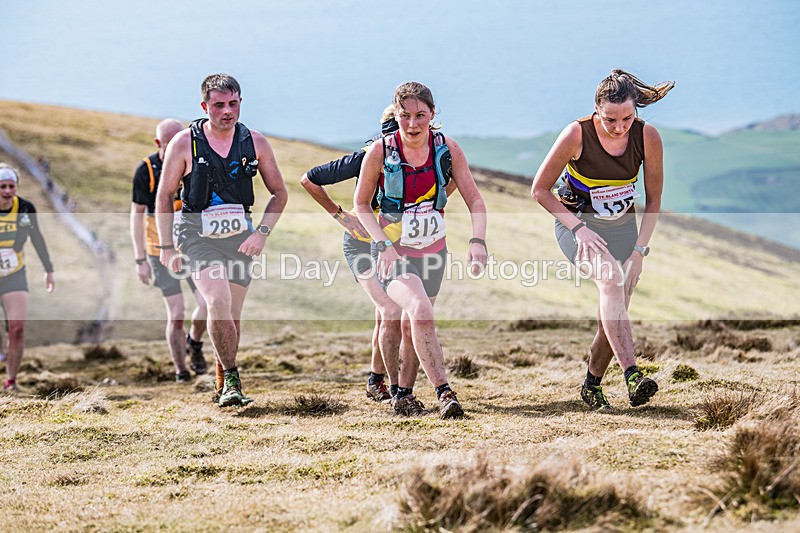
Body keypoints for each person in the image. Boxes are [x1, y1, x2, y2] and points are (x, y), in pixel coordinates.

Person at [531, 69, 674, 411]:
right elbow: (539, 190)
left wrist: (639, 252)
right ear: (596, 109)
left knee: (612, 315)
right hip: (578, 227)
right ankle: (633, 375)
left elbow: (654, 199)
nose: (619, 127)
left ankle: (591, 385)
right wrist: (578, 229)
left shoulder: (647, 136)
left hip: (624, 230)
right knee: (610, 279)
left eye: (627, 118)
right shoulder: (576, 134)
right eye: (610, 119)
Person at [354, 82, 488, 419]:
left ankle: (404, 394)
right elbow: (361, 204)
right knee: (420, 309)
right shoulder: (381, 151)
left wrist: (478, 241)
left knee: (415, 322)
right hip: (393, 252)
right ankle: (445, 392)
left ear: (432, 114)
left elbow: (474, 198)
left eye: (420, 116)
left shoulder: (447, 148)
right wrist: (382, 245)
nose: (412, 124)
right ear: (396, 114)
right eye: (405, 116)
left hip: (433, 251)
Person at [156, 74, 288, 407]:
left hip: (240, 239)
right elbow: (165, 195)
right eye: (218, 105)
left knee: (233, 315)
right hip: (196, 236)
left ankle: (221, 381)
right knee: (216, 300)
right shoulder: (184, 143)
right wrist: (166, 246)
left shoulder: (255, 142)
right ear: (204, 106)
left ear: (240, 102)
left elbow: (279, 194)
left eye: (232, 104)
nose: (227, 111)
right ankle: (232, 379)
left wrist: (261, 233)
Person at [300, 105, 422, 409]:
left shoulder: (421, 156)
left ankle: (375, 380)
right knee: (390, 309)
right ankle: (396, 389)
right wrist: (341, 216)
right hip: (360, 244)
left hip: (395, 244)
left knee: (386, 314)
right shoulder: (368, 155)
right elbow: (309, 179)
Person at [130, 118, 209, 383]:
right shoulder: (146, 171)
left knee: (207, 304)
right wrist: (140, 259)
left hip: (192, 247)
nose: (176, 145)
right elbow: (136, 217)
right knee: (176, 315)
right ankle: (181, 371)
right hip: (160, 251)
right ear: (158, 143)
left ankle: (194, 342)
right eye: (169, 142)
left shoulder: (193, 162)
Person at [0, 164, 55, 393]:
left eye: (11, 186)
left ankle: (11, 381)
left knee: (17, 328)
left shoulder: (25, 208)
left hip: (14, 275)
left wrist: (48, 269)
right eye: (2, 186)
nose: (7, 191)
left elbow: (37, 238)